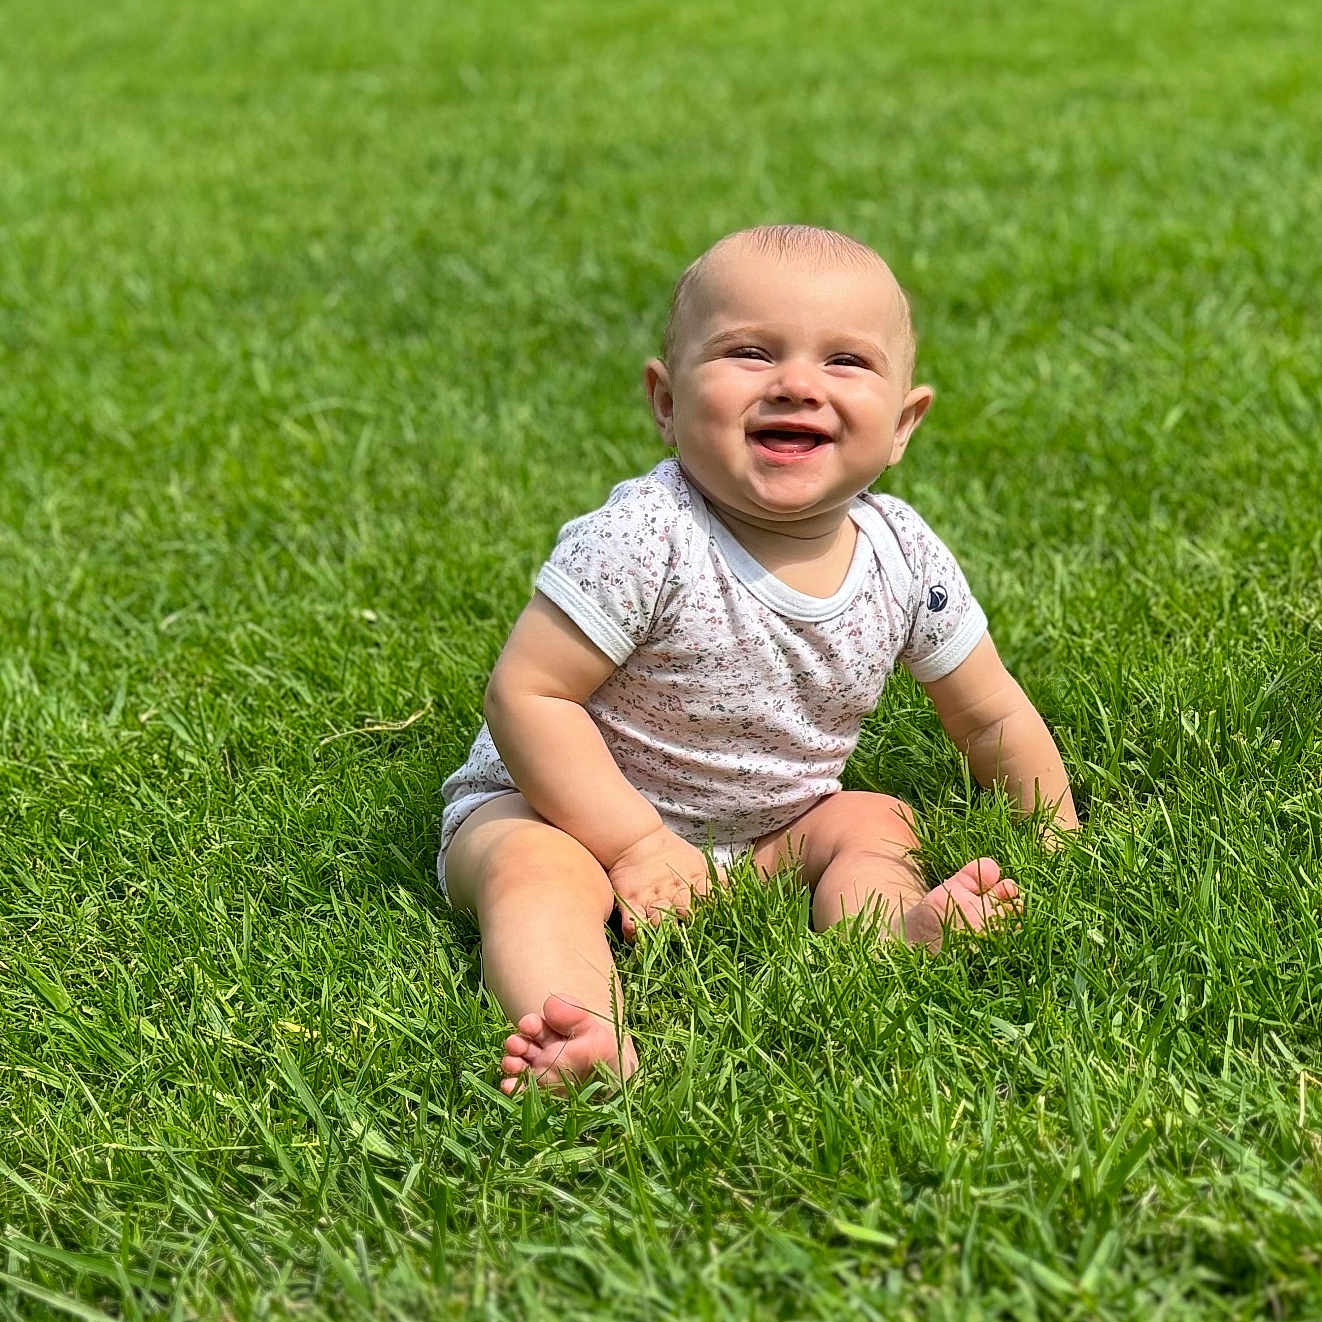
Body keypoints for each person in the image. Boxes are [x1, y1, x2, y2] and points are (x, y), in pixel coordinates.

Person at [439, 224, 1078, 1093]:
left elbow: (990, 711)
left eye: (846, 362)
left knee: (875, 819)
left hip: (767, 830)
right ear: (666, 402)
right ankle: (578, 1029)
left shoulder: (903, 557)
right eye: (750, 352)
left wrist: (1056, 838)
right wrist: (633, 844)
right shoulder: (646, 535)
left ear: (903, 423)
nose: (797, 385)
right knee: (531, 870)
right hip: (565, 814)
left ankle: (892, 932)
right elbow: (528, 695)